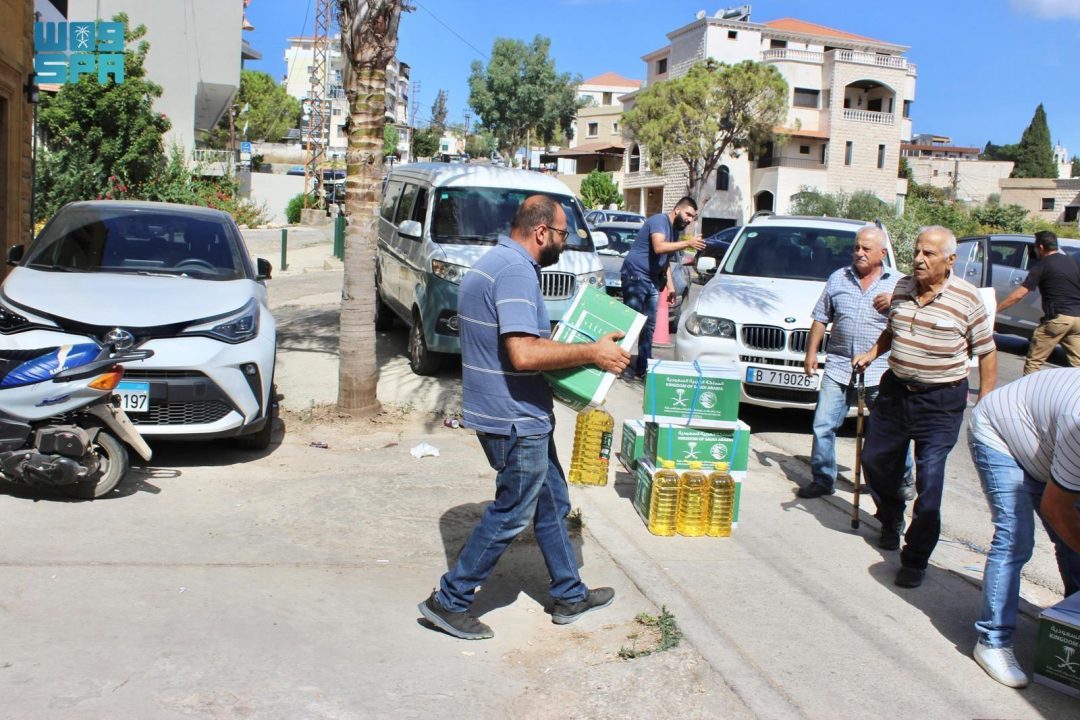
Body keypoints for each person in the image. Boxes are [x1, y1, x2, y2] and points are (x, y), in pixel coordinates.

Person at [418, 195, 630, 640]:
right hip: (513, 417)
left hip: (512, 412)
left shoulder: (493, 262)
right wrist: (593, 352)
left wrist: (566, 341)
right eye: (561, 235)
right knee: (513, 512)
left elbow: (520, 338)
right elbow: (522, 353)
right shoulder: (515, 271)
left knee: (552, 503)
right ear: (540, 232)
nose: (563, 244)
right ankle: (449, 600)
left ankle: (570, 595)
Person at [853, 226, 998, 589]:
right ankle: (890, 517)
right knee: (874, 460)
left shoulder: (968, 299)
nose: (919, 259)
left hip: (941, 402)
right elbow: (894, 328)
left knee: (930, 482)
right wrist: (872, 353)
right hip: (895, 394)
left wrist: (986, 403)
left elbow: (987, 352)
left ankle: (915, 558)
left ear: (950, 260)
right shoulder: (901, 287)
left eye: (928, 254)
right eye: (917, 251)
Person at [967, 369, 1080, 688]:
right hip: (1001, 435)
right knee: (1016, 539)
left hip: (1047, 442)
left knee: (1073, 533)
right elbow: (1056, 508)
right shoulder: (1079, 423)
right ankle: (992, 641)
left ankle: (1072, 624)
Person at [798, 225, 914, 500]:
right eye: (856, 247)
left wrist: (898, 300)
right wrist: (810, 353)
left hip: (880, 370)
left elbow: (914, 317)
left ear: (882, 253)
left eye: (866, 248)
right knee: (823, 424)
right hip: (839, 365)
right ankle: (823, 478)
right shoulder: (839, 278)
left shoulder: (899, 283)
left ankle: (903, 478)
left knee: (889, 430)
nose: (859, 253)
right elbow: (820, 317)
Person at [620, 196, 706, 378]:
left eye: (693, 217)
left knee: (649, 326)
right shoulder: (659, 220)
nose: (690, 219)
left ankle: (643, 368)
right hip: (635, 275)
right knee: (630, 323)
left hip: (651, 279)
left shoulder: (674, 232)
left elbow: (664, 260)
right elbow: (659, 247)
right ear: (677, 210)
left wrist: (671, 285)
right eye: (688, 214)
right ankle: (614, 364)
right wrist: (688, 243)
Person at [994, 230, 1080, 375]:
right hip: (1077, 319)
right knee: (1077, 363)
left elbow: (1019, 294)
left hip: (1058, 320)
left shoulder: (1042, 265)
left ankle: (1028, 394)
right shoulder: (1071, 262)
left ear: (1040, 247)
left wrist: (996, 308)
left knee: (1034, 362)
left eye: (1034, 246)